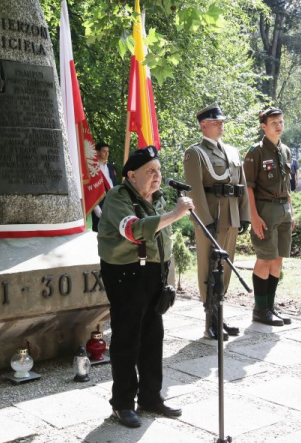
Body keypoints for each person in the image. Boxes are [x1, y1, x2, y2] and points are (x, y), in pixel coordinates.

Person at [97, 146, 194, 428]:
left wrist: (168, 280)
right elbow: (132, 229)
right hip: (126, 274)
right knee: (128, 338)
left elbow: (163, 242)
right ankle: (122, 404)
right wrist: (176, 214)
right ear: (131, 175)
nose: (157, 176)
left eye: (159, 170)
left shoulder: (158, 198)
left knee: (153, 336)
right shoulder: (118, 196)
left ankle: (150, 397)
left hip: (154, 273)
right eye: (150, 171)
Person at [183, 103, 249, 341]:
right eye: (215, 122)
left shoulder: (232, 151)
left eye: (221, 122)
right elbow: (195, 190)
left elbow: (241, 185)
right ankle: (209, 320)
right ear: (203, 125)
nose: (221, 126)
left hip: (230, 216)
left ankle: (219, 315)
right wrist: (204, 220)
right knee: (209, 267)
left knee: (226, 267)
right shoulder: (195, 153)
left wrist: (244, 215)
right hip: (211, 218)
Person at [244, 107, 295, 327]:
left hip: (283, 209)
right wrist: (254, 217)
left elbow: (287, 184)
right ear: (263, 126)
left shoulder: (285, 150)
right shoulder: (256, 152)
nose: (279, 126)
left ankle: (271, 306)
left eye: (281, 122)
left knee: (278, 258)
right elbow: (248, 187)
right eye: (274, 122)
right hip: (264, 210)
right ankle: (260, 309)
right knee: (264, 258)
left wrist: (291, 211)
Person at [91, 142, 117, 232]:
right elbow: (91, 189)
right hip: (99, 201)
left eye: (108, 151)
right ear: (97, 152)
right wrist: (95, 207)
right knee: (98, 230)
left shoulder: (110, 167)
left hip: (112, 200)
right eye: (104, 151)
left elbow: (113, 183)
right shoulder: (92, 167)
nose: (107, 153)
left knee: (111, 230)